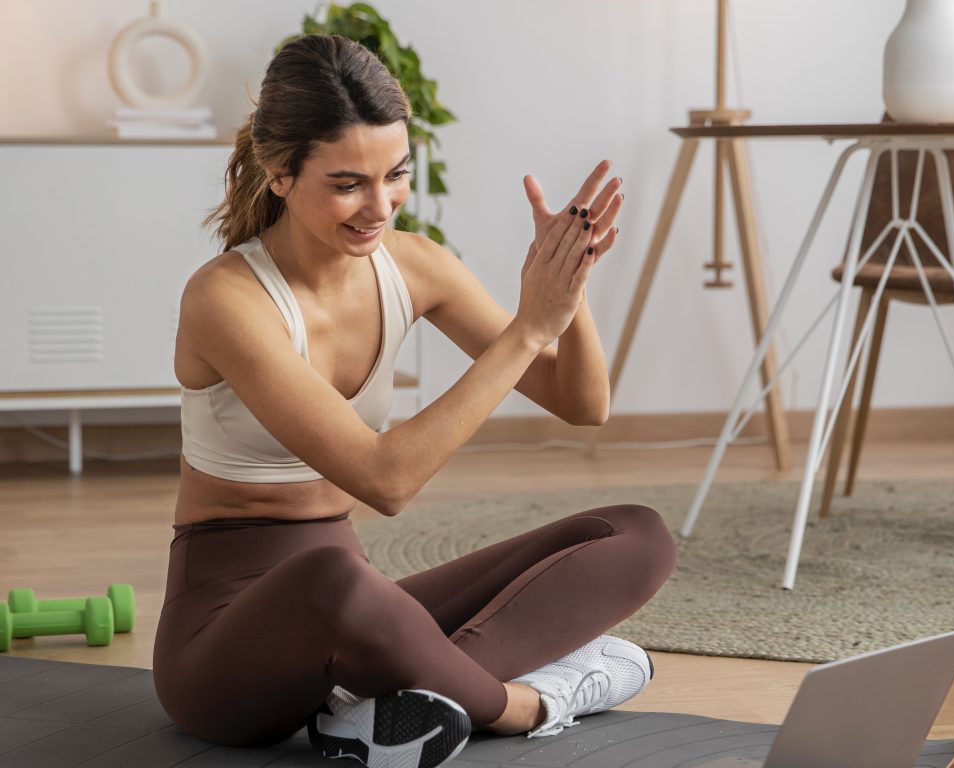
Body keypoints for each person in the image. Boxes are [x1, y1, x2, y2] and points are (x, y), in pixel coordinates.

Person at [153, 33, 677, 766]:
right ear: (279, 174)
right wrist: (524, 332)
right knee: (334, 579)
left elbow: (581, 402)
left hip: (358, 610)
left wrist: (566, 290)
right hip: (222, 649)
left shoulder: (413, 264)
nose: (380, 206)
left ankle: (393, 696)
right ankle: (529, 704)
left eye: (395, 174)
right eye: (347, 184)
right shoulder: (227, 299)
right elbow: (386, 479)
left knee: (636, 534)